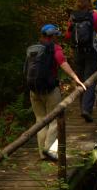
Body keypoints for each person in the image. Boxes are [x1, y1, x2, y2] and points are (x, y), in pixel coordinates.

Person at [28, 24, 86, 161]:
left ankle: (42, 154)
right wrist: (76, 79)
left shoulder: (33, 49)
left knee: (40, 120)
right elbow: (63, 64)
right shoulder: (55, 49)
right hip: (50, 89)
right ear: (53, 36)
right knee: (54, 119)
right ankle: (48, 149)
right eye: (56, 36)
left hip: (34, 90)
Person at [66, 0, 97, 122]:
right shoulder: (95, 15)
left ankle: (82, 107)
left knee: (81, 79)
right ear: (90, 3)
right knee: (91, 79)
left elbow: (67, 36)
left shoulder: (72, 16)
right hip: (91, 51)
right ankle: (86, 109)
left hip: (77, 52)